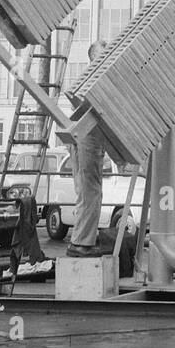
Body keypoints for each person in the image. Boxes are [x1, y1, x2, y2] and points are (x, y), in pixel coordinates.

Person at [65, 39, 110, 258]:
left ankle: (81, 240)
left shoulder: (89, 79)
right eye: (103, 54)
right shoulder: (96, 79)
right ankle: (82, 243)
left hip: (84, 136)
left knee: (86, 189)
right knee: (90, 190)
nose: (107, 57)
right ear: (93, 57)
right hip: (87, 136)